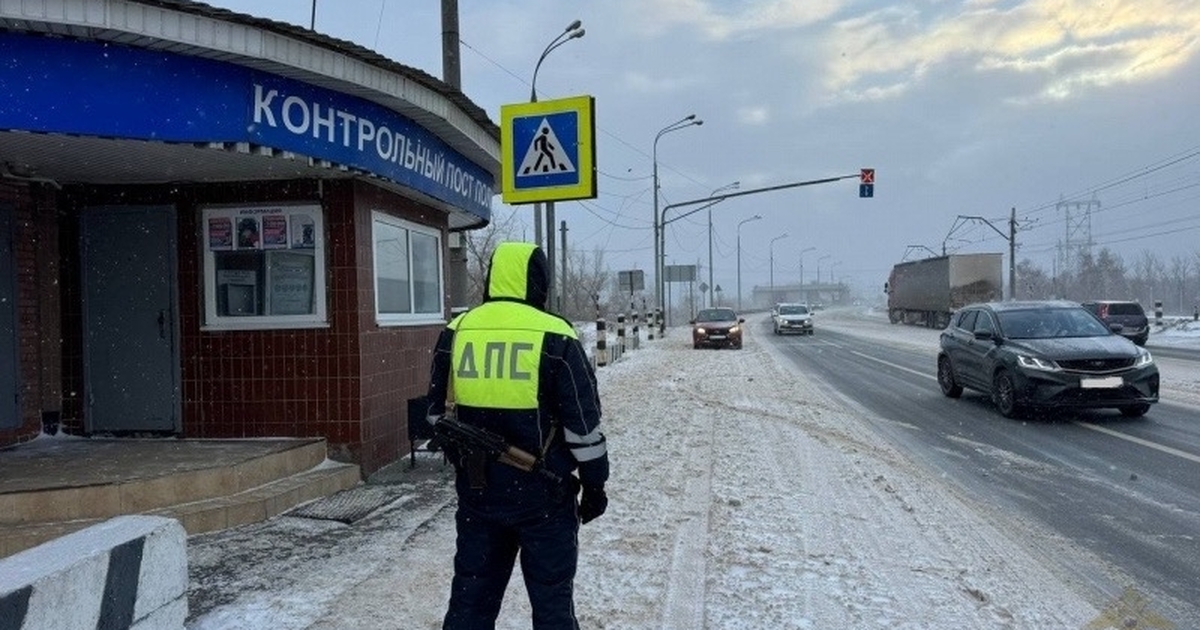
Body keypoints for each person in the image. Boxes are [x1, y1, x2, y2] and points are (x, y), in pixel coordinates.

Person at [425, 241, 609, 629]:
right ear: (537, 282)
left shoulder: (458, 330)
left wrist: (467, 460)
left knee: (470, 603)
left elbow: (433, 415)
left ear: (493, 278)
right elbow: (583, 426)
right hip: (544, 498)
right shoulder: (556, 335)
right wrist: (595, 485)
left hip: (477, 496)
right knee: (552, 605)